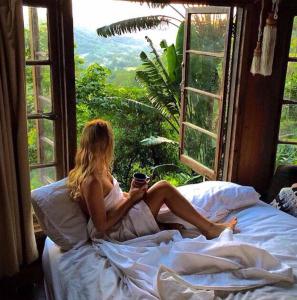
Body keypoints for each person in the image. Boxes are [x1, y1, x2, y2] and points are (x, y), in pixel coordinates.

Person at [68, 119, 237, 241]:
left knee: (160, 193)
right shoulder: (91, 181)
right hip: (116, 230)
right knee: (163, 188)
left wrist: (132, 194)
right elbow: (101, 226)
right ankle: (210, 229)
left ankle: (159, 225)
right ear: (105, 146)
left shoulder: (100, 168)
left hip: (122, 217)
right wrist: (132, 200)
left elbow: (111, 200)